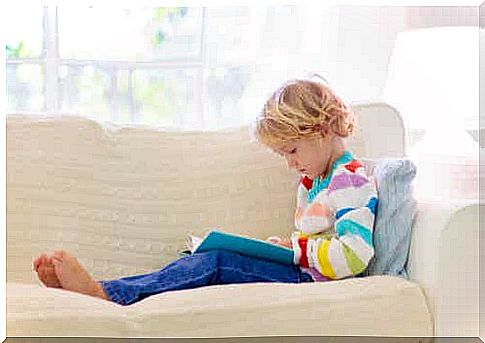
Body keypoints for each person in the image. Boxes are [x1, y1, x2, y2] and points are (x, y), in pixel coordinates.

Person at [33, 77, 378, 306]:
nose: (290, 164)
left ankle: (107, 295)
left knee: (216, 262)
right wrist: (286, 248)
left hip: (312, 284)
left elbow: (355, 255)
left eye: (292, 151)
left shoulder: (349, 180)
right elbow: (320, 242)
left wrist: (297, 251)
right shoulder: (316, 180)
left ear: (322, 129)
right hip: (302, 271)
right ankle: (107, 288)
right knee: (197, 260)